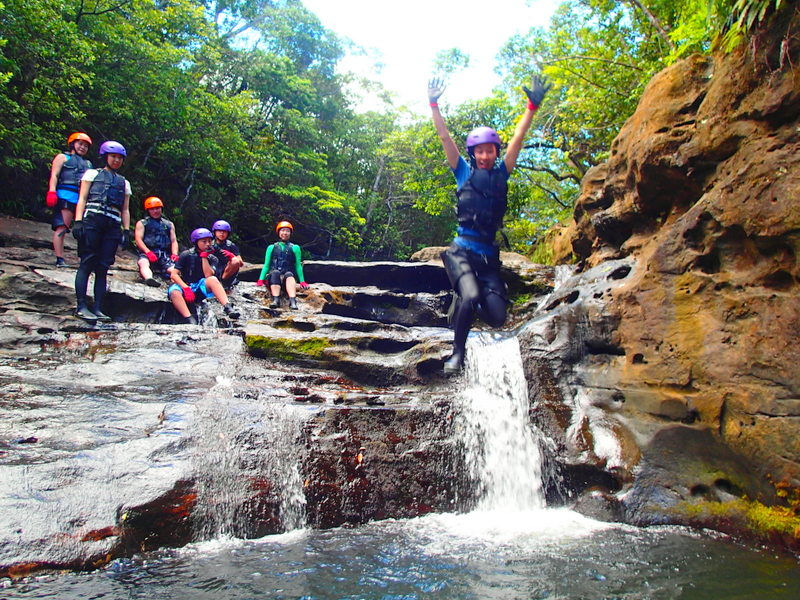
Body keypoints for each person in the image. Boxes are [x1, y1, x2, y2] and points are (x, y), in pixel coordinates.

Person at [427, 74, 550, 373]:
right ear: (473, 154)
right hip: (461, 252)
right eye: (479, 151)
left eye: (489, 150)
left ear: (495, 152)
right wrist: (434, 105)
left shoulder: (502, 173)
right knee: (469, 296)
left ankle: (467, 301)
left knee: (497, 318)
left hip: (488, 258)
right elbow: (445, 137)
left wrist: (531, 108)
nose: (484, 155)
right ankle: (458, 354)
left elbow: (518, 140)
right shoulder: (463, 172)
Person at [71, 140, 131, 322]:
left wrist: (126, 230)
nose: (116, 160)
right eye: (113, 157)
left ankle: (98, 307)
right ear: (106, 157)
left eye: (120, 158)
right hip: (93, 220)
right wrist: (78, 221)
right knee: (87, 262)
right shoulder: (92, 174)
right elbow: (82, 198)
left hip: (112, 224)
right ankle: (81, 305)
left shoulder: (124, 182)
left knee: (103, 267)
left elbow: (125, 209)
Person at [168, 227, 240, 324]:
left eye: (209, 241)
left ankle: (227, 307)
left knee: (213, 279)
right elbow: (174, 274)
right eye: (204, 241)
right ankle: (188, 318)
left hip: (200, 287)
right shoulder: (186, 254)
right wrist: (185, 288)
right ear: (196, 242)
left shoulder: (213, 258)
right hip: (186, 285)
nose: (207, 244)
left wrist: (204, 258)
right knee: (174, 292)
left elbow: (208, 275)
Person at [48, 132, 93, 267]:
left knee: (84, 229)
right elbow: (54, 175)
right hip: (65, 195)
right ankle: (59, 258)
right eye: (80, 144)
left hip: (81, 198)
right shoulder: (63, 157)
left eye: (85, 146)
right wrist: (52, 191)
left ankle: (84, 259)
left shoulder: (88, 164)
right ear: (73, 143)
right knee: (62, 226)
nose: (83, 147)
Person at [256, 220, 308, 309]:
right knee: (275, 272)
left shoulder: (295, 248)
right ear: (279, 232)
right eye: (283, 230)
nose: (285, 233)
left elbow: (298, 266)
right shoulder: (271, 247)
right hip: (273, 278)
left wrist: (302, 281)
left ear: (290, 233)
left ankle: (293, 301)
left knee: (289, 274)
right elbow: (266, 265)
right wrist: (261, 279)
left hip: (286, 279)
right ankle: (276, 300)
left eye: (287, 231)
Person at [134, 196, 179, 287]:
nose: (155, 211)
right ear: (148, 211)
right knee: (143, 263)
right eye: (152, 209)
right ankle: (149, 278)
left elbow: (173, 241)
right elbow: (138, 239)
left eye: (157, 208)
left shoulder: (169, 224)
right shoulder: (142, 223)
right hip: (148, 252)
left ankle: (180, 282)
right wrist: (148, 252)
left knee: (173, 269)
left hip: (163, 254)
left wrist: (174, 254)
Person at [210, 220, 243, 290]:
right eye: (219, 231)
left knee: (235, 261)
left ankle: (223, 281)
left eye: (224, 231)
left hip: (226, 270)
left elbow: (241, 263)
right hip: (213, 269)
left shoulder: (230, 245)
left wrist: (232, 256)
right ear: (215, 232)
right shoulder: (209, 245)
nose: (222, 233)